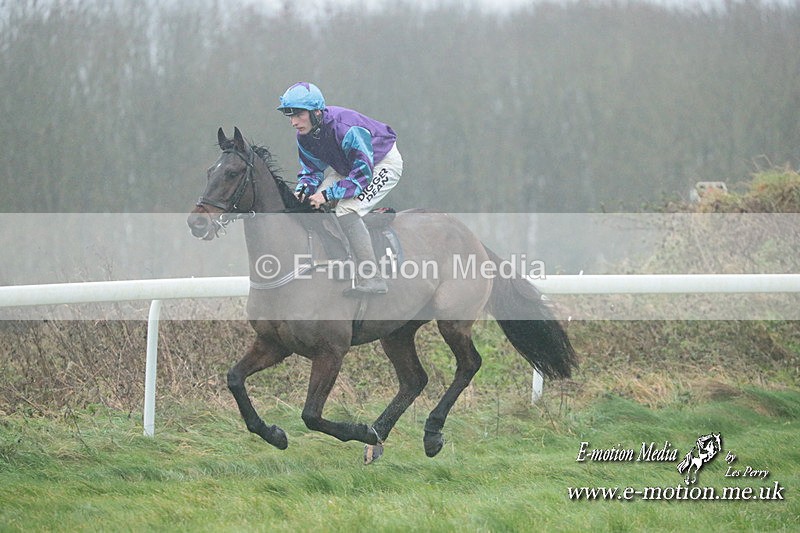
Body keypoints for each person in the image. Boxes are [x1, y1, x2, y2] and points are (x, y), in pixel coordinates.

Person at [277, 82, 403, 296]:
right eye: (290, 116)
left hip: (380, 164)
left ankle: (372, 277)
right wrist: (304, 189)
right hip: (347, 168)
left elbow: (363, 174)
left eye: (298, 115)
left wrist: (327, 194)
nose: (293, 122)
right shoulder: (304, 136)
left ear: (316, 111)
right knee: (313, 205)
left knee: (345, 209)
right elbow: (311, 171)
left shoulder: (346, 128)